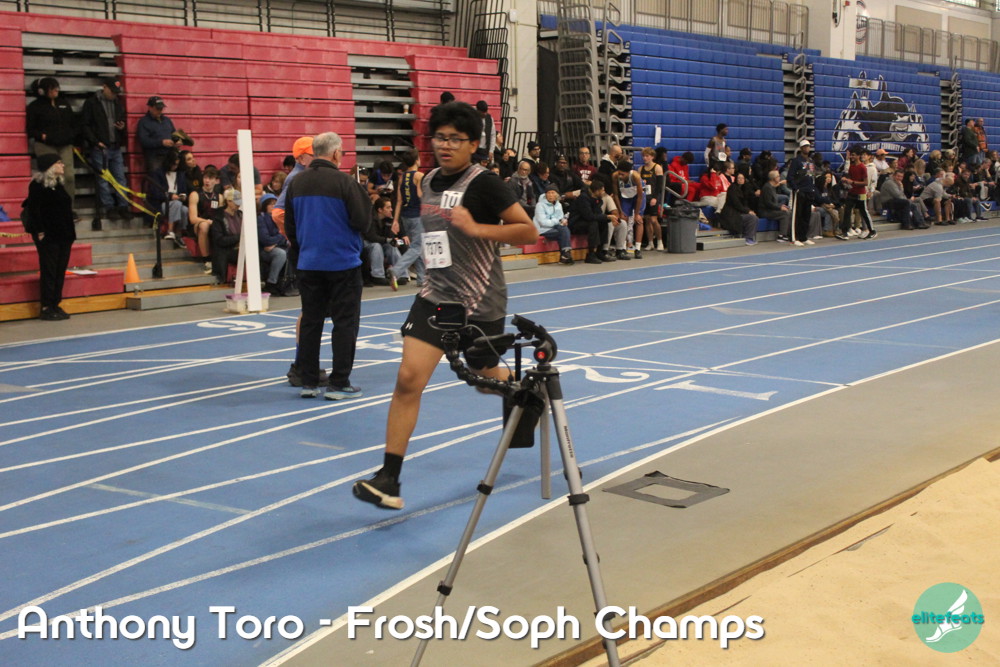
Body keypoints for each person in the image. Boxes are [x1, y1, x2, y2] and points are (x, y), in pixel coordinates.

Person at [352, 101, 537, 510]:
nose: (446, 145)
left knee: (484, 377)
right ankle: (389, 479)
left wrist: (477, 228)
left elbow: (528, 231)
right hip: (435, 296)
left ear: (473, 144)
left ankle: (523, 388)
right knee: (408, 378)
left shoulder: (485, 183)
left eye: (456, 139)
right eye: (440, 137)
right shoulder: (429, 180)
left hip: (479, 300)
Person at [284, 131, 371, 400]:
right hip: (342, 263)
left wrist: (304, 251)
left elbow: (290, 227)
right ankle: (339, 382)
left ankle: (309, 381)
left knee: (311, 322)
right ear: (335, 153)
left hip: (309, 263)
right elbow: (362, 222)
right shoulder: (346, 183)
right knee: (345, 323)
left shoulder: (297, 183)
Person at [26, 154, 75, 320]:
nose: (63, 165)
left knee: (60, 271)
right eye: (59, 163)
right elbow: (34, 210)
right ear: (50, 166)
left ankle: (55, 303)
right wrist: (40, 231)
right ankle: (46, 306)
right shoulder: (37, 186)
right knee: (49, 271)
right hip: (48, 235)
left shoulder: (58, 185)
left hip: (64, 234)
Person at [26, 77, 78, 215]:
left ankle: (68, 209)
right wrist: (43, 136)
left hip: (64, 145)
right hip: (46, 145)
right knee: (50, 177)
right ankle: (50, 210)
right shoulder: (34, 107)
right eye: (52, 88)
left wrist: (71, 136)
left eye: (56, 87)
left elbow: (73, 123)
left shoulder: (64, 104)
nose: (56, 90)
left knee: (69, 176)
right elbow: (30, 129)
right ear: (42, 91)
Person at [81, 77, 129, 226]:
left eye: (116, 92)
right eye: (112, 91)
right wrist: (95, 142)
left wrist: (122, 128)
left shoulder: (117, 103)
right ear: (104, 87)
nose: (114, 95)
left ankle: (123, 205)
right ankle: (109, 207)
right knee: (103, 179)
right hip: (100, 147)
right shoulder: (91, 103)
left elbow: (122, 122)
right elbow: (85, 125)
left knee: (120, 177)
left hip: (115, 145)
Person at [388, 149, 425, 289]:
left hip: (405, 216)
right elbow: (421, 196)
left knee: (417, 246)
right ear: (416, 160)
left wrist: (395, 220)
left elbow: (399, 200)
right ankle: (396, 270)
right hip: (417, 215)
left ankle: (422, 278)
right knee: (417, 247)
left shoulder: (402, 177)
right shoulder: (419, 176)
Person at [146, 150, 189, 248]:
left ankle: (179, 232)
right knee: (176, 204)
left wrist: (183, 196)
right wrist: (170, 196)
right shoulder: (158, 173)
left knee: (185, 209)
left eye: (177, 164)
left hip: (177, 202)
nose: (175, 167)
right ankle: (170, 231)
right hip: (162, 203)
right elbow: (155, 192)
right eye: (174, 164)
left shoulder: (180, 174)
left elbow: (183, 190)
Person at [187, 165, 224, 272]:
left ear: (216, 181)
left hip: (214, 224)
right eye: (205, 177)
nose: (207, 180)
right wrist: (207, 221)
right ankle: (206, 259)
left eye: (210, 178)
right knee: (204, 225)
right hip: (198, 224)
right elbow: (193, 218)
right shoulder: (195, 194)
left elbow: (221, 216)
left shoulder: (219, 197)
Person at [272, 136, 314, 231]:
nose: (318, 158)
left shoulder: (304, 175)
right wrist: (297, 234)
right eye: (313, 155)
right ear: (301, 158)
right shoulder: (297, 177)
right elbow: (278, 213)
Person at [570, 179, 614, 263]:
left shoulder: (597, 198)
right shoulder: (583, 198)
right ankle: (590, 254)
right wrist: (607, 216)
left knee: (604, 222)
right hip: (576, 223)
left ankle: (600, 252)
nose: (604, 192)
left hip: (586, 221)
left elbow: (598, 214)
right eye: (602, 190)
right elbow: (589, 216)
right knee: (593, 223)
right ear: (596, 191)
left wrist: (608, 218)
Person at [257, 193, 292, 295]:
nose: (273, 206)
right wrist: (281, 237)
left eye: (275, 204)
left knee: (292, 251)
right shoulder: (261, 219)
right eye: (270, 204)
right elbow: (266, 240)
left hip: (276, 246)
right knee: (280, 254)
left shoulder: (279, 218)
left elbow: (286, 236)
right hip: (264, 250)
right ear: (264, 205)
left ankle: (289, 283)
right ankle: (271, 283)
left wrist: (276, 242)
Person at [838, 147, 876, 240]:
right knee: (847, 211)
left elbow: (865, 182)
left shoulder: (862, 167)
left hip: (861, 193)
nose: (852, 157)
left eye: (854, 155)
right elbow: (850, 177)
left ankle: (872, 231)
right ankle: (845, 232)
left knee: (864, 212)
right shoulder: (852, 166)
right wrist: (846, 180)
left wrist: (852, 182)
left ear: (858, 156)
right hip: (852, 192)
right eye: (851, 155)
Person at [365, 197, 404, 287]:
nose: (391, 209)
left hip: (381, 242)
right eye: (388, 207)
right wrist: (388, 240)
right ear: (380, 210)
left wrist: (395, 241)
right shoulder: (370, 219)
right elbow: (371, 237)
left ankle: (402, 274)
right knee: (376, 246)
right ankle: (378, 276)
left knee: (392, 247)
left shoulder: (389, 219)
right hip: (367, 243)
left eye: (391, 207)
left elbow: (390, 237)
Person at [136, 96, 178, 174]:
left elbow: (174, 134)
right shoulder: (143, 122)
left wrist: (177, 141)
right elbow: (144, 141)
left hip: (169, 155)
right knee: (156, 178)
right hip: (154, 157)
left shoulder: (167, 120)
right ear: (150, 107)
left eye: (161, 108)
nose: (160, 111)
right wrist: (161, 142)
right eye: (158, 108)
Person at [534, 184, 573, 264]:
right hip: (542, 229)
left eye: (552, 193)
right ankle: (565, 254)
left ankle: (565, 255)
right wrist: (558, 221)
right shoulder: (540, 205)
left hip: (555, 227)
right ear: (545, 194)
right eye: (548, 193)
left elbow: (561, 218)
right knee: (563, 232)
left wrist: (563, 221)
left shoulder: (559, 205)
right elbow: (543, 222)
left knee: (564, 229)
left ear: (556, 194)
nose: (550, 195)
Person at [209, 187, 243, 282]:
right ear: (229, 201)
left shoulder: (241, 215)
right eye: (236, 203)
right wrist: (239, 238)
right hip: (227, 250)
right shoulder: (219, 218)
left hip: (241, 248)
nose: (238, 205)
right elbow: (219, 240)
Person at [717, 171, 758, 245]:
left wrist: (750, 210)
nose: (741, 180)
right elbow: (736, 204)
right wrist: (748, 211)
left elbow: (747, 202)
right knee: (752, 218)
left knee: (754, 216)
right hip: (731, 214)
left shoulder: (745, 188)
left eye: (742, 178)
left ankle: (749, 237)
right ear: (736, 179)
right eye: (739, 178)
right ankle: (748, 238)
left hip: (740, 212)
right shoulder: (732, 188)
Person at [639, 147, 665, 252]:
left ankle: (660, 241)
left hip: (653, 196)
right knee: (647, 220)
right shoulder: (641, 169)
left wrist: (655, 197)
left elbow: (659, 185)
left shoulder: (657, 167)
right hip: (645, 197)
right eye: (643, 156)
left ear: (652, 157)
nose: (645, 158)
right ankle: (650, 242)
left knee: (654, 220)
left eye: (647, 156)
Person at [759, 170, 793, 244]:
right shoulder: (767, 188)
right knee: (785, 214)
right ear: (774, 178)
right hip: (766, 211)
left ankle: (790, 234)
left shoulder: (772, 187)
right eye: (778, 176)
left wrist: (781, 205)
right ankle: (781, 235)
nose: (779, 177)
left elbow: (774, 202)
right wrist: (780, 208)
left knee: (789, 212)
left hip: (771, 209)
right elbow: (768, 203)